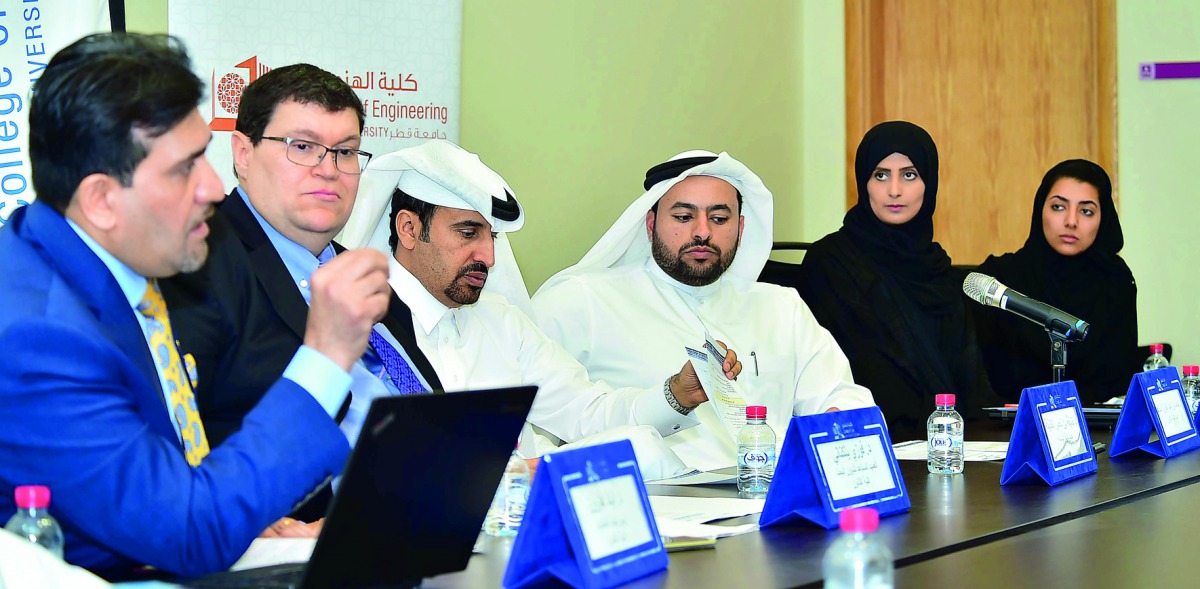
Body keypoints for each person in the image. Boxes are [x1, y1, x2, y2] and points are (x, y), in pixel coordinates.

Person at [0, 34, 390, 577]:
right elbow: (187, 531)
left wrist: (238, 505)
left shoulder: (99, 258)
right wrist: (324, 356)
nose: (212, 187)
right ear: (102, 200)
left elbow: (171, 484)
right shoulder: (34, 338)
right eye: (185, 168)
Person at [355, 139, 740, 471]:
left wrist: (678, 393)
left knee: (637, 446)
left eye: (492, 237)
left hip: (523, 527)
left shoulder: (502, 321)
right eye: (468, 233)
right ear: (408, 229)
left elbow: (586, 414)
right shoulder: (361, 328)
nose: (487, 257)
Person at [161, 64, 442, 456]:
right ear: (243, 153)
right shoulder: (195, 267)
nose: (328, 170)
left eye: (345, 152)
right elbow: (181, 446)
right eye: (303, 147)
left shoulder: (360, 273)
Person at [530, 150, 874, 471]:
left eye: (720, 218)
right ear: (650, 224)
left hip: (775, 509)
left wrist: (835, 421)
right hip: (661, 514)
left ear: (740, 230)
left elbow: (840, 393)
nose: (702, 232)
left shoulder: (781, 307)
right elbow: (532, 426)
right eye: (683, 216)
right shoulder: (582, 301)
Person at [787, 121, 998, 440]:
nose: (894, 190)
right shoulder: (832, 263)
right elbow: (835, 374)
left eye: (909, 175)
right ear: (864, 183)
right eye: (881, 175)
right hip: (866, 443)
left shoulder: (938, 270)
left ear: (929, 183)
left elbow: (970, 385)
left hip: (948, 447)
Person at [973, 159, 1139, 404]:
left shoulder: (1117, 282)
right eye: (1059, 207)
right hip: (1009, 430)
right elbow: (980, 381)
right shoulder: (1000, 280)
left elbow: (1119, 380)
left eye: (1086, 211)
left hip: (1097, 430)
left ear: (1103, 219)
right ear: (1040, 209)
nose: (1071, 221)